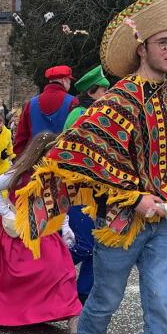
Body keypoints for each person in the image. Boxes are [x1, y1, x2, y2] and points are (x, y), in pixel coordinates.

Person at [18, 0, 167, 334]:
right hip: (117, 223)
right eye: (164, 42)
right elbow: (78, 156)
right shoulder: (117, 100)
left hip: (163, 223)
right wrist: (134, 196)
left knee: (159, 300)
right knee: (105, 297)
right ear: (143, 49)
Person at [0, 132, 82, 329]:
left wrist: (65, 226)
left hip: (43, 230)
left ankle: (71, 314)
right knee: (8, 274)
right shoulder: (21, 172)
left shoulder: (56, 174)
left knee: (60, 268)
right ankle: (11, 313)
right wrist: (5, 212)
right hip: (15, 230)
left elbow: (59, 203)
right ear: (40, 152)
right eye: (52, 151)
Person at [61, 65, 112, 303]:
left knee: (98, 247)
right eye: (104, 90)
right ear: (92, 93)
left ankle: (83, 293)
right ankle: (50, 278)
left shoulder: (94, 113)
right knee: (84, 245)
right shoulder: (80, 114)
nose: (108, 95)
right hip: (80, 189)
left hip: (97, 191)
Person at [13, 65, 79, 154]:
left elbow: (21, 136)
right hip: (62, 159)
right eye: (69, 81)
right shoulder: (73, 102)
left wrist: (19, 160)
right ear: (64, 80)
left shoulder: (31, 103)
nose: (70, 85)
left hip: (33, 160)